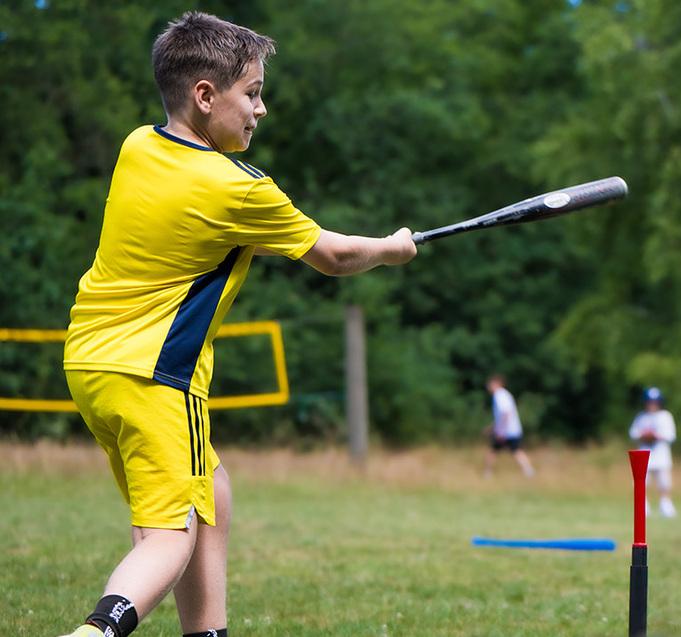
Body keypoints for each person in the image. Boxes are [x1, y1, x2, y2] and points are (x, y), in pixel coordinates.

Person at [58, 12, 417, 637]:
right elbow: (332, 256)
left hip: (91, 365)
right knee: (169, 538)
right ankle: (95, 632)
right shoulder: (239, 188)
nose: (261, 109)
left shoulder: (137, 145)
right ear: (205, 95)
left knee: (208, 492)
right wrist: (392, 247)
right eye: (251, 93)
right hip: (158, 376)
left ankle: (208, 630)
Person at [629, 386, 677, 518]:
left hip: (661, 456)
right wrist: (644, 435)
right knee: (642, 482)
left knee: (664, 482)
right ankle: (644, 505)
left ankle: (665, 504)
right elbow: (633, 433)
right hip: (644, 456)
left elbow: (671, 435)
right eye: (650, 402)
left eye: (655, 402)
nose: (652, 405)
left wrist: (655, 435)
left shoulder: (665, 416)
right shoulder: (641, 417)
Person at [483, 374, 535, 478]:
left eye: (490, 384)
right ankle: (529, 471)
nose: (488, 386)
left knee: (494, 451)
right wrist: (492, 427)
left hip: (506, 431)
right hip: (512, 429)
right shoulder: (505, 394)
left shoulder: (499, 395)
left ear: (497, 384)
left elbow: (505, 414)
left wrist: (501, 431)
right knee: (515, 450)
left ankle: (487, 473)